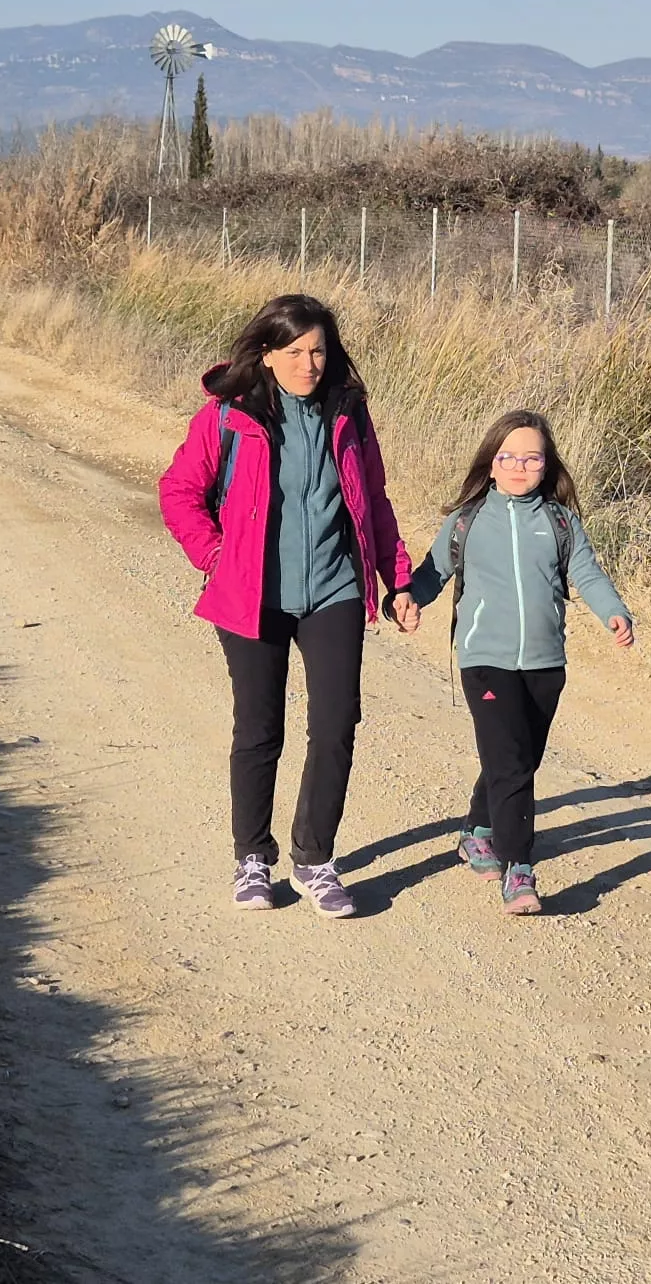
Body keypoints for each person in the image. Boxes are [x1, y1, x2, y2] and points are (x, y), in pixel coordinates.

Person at [159, 294, 419, 918]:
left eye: (319, 351)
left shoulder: (349, 413)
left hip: (333, 588)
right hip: (252, 594)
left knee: (336, 724)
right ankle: (252, 857)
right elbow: (179, 492)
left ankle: (314, 859)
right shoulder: (228, 415)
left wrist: (397, 577)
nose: (309, 364)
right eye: (296, 351)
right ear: (267, 354)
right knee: (259, 728)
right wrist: (215, 557)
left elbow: (372, 501)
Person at [406, 410, 634, 914]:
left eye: (531, 457)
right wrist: (408, 599)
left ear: (546, 465)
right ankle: (519, 867)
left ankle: (478, 831)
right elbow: (433, 571)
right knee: (510, 762)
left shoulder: (559, 521)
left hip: (545, 661)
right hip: (484, 658)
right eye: (507, 456)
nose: (518, 466)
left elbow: (588, 574)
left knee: (520, 755)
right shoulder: (467, 520)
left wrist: (614, 613)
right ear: (490, 464)